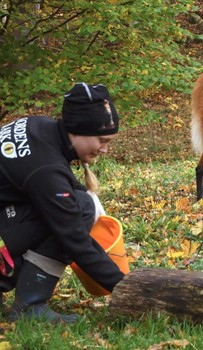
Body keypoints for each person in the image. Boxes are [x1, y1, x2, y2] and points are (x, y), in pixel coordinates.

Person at [0, 82, 125, 323]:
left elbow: (57, 185)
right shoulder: (46, 170)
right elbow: (74, 238)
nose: (105, 149)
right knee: (78, 211)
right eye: (102, 139)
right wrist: (123, 285)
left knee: (81, 203)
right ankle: (30, 307)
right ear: (78, 130)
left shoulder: (37, 126)